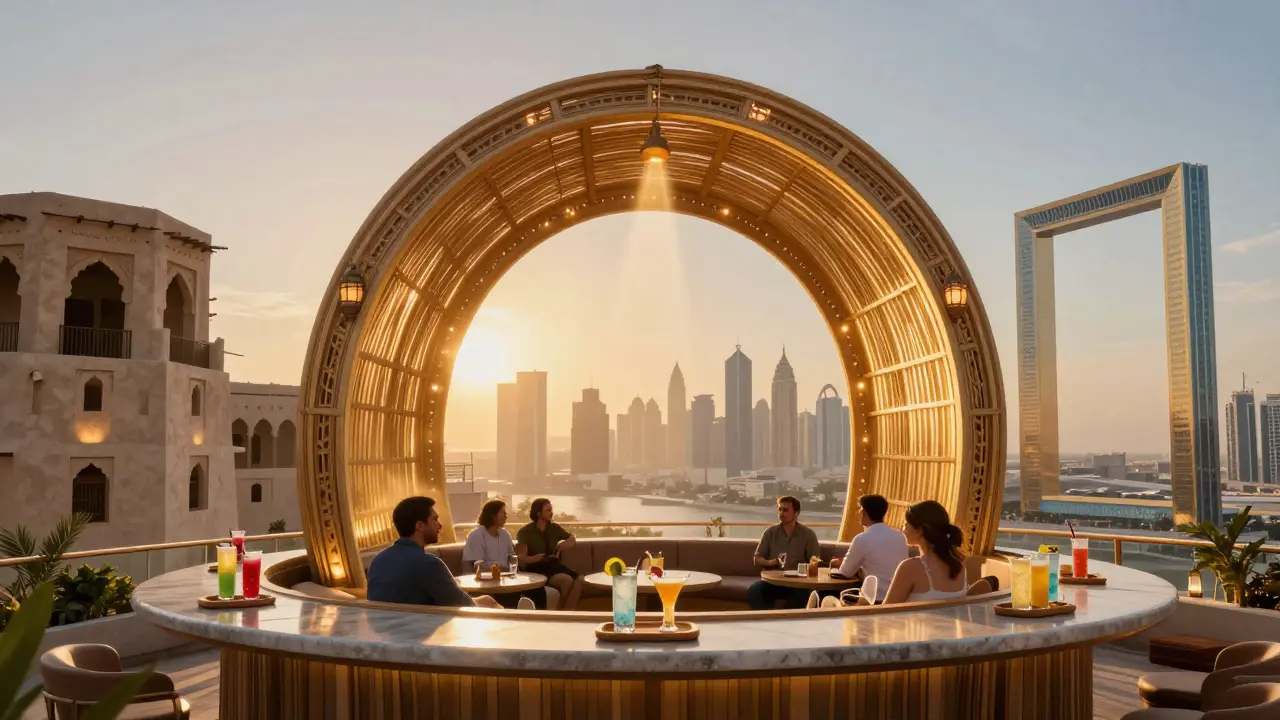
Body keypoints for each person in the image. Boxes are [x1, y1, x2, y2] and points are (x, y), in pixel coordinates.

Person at [367, 496, 501, 609]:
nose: (440, 525)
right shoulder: (429, 563)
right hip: (420, 634)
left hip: (386, 633)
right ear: (419, 525)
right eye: (435, 519)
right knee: (488, 601)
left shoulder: (379, 560)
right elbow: (464, 605)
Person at [463, 499, 548, 609]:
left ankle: (540, 622)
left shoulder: (505, 534)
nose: (506, 516)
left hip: (506, 579)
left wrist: (517, 566)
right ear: (493, 515)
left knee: (538, 591)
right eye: (503, 512)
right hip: (486, 583)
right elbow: (477, 564)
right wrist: (501, 568)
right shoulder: (476, 535)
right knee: (510, 597)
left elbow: (511, 557)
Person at [882, 500, 968, 604]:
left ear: (919, 531)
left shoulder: (910, 567)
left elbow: (886, 611)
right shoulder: (960, 568)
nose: (902, 530)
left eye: (905, 525)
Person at [747, 496, 821, 610]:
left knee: (801, 595)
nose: (781, 513)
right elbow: (757, 559)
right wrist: (771, 562)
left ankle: (789, 624)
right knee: (755, 590)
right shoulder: (770, 532)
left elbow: (814, 562)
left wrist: (805, 570)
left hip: (797, 584)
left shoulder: (808, 535)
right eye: (780, 509)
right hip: (773, 582)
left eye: (785, 510)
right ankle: (765, 621)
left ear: (797, 513)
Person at [832, 494, 908, 604]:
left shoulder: (862, 539)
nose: (858, 512)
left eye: (860, 509)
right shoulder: (900, 536)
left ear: (864, 512)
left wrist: (835, 563)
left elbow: (845, 572)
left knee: (829, 599)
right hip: (897, 600)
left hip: (872, 600)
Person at [514, 498, 584, 610]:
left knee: (580, 580)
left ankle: (565, 613)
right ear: (538, 513)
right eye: (547, 510)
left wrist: (566, 543)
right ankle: (563, 614)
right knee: (566, 581)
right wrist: (535, 558)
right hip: (537, 568)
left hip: (553, 565)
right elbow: (521, 558)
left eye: (551, 509)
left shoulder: (554, 528)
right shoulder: (525, 532)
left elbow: (571, 537)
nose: (551, 513)